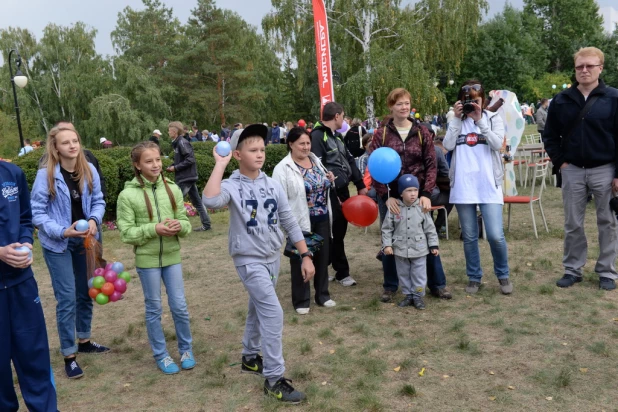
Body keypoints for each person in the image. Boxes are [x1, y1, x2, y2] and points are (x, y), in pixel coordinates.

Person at [203, 124, 315, 404]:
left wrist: (305, 254)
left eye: (263, 149)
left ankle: (251, 357)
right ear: (238, 154)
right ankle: (274, 379)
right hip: (248, 260)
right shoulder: (231, 184)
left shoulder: (272, 184)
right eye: (253, 150)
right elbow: (210, 200)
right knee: (273, 313)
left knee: (258, 307)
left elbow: (289, 219)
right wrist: (220, 164)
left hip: (272, 258)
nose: (260, 154)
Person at [31, 125, 109, 379]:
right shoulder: (46, 175)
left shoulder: (89, 169)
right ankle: (69, 354)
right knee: (66, 298)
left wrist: (95, 220)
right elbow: (37, 213)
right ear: (55, 148)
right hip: (58, 243)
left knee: (86, 290)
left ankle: (84, 340)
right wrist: (63, 231)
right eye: (66, 143)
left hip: (85, 241)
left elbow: (98, 199)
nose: (72, 146)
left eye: (75, 140)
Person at [543, 46, 618, 291]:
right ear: (575, 70)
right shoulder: (561, 100)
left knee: (607, 221)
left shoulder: (614, 98)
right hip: (572, 168)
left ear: (600, 68)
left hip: (605, 169)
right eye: (579, 67)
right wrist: (561, 162)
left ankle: (607, 271)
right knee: (573, 222)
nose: (584, 70)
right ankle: (572, 269)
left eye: (589, 66)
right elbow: (550, 135)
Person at [117, 141, 195, 374]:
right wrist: (154, 229)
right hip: (147, 261)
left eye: (158, 160)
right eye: (149, 161)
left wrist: (178, 226)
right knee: (154, 308)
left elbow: (186, 222)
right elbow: (126, 233)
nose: (155, 165)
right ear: (137, 165)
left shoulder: (171, 188)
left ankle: (186, 349)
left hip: (172, 257)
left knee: (179, 306)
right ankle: (161, 355)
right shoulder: (127, 195)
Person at [371, 88, 451, 302]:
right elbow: (375, 165)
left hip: (417, 197)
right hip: (391, 196)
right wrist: (384, 195)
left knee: (424, 236)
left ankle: (437, 284)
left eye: (407, 103)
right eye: (399, 104)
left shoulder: (421, 132)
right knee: (389, 237)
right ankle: (390, 285)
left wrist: (425, 193)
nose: (404, 107)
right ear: (391, 107)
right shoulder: (382, 134)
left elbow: (431, 165)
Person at [443, 80, 513, 295]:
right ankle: (474, 277)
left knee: (495, 235)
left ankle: (503, 275)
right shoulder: (455, 120)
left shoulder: (493, 118)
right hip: (464, 185)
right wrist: (456, 119)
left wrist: (480, 120)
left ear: (483, 100)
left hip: (488, 184)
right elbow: (447, 145)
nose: (472, 104)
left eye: (476, 100)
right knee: (470, 236)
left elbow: (495, 144)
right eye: (468, 101)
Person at [0, 161, 58, 411]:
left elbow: (25, 217)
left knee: (34, 356)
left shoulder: (12, 173)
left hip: (22, 283)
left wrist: (26, 242)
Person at [272, 127, 336, 315]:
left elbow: (321, 184)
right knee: (300, 259)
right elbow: (279, 199)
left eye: (308, 143)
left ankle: (323, 295)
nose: (306, 147)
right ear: (290, 144)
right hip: (299, 221)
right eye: (302, 143)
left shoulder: (316, 160)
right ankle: (301, 300)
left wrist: (329, 179)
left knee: (322, 258)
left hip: (322, 217)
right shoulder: (282, 168)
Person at [310, 102, 367, 287]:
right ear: (336, 116)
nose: (344, 119)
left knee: (339, 231)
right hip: (327, 193)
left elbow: (349, 159)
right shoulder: (317, 136)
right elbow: (317, 167)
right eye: (342, 116)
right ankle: (339, 271)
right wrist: (331, 193)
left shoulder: (337, 137)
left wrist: (359, 183)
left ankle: (333, 266)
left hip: (343, 191)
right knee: (329, 232)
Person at [381, 174, 439, 309]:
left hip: (419, 249)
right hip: (400, 249)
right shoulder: (394, 209)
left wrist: (433, 245)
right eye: (408, 191)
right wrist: (387, 245)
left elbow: (430, 229)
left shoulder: (422, 208)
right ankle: (408, 295)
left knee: (419, 274)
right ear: (401, 193)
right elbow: (387, 229)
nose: (413, 194)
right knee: (403, 274)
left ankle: (418, 296)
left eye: (415, 190)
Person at [166, 121, 211, 232]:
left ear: (175, 131)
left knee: (174, 201)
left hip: (186, 178)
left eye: (169, 130)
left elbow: (190, 159)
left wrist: (176, 168)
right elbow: (182, 159)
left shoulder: (182, 143)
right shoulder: (177, 143)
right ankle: (206, 225)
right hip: (187, 177)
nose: (168, 132)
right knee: (197, 202)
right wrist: (173, 165)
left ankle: (171, 226)